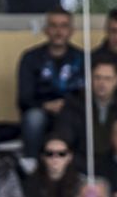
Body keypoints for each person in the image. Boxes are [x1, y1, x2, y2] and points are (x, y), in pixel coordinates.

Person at [16, 9, 84, 156]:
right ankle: (31, 164)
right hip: (42, 111)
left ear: (72, 31)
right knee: (34, 118)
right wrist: (46, 106)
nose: (59, 31)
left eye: (64, 26)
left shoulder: (83, 58)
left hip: (73, 111)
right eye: (54, 26)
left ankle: (79, 166)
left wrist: (67, 105)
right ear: (46, 30)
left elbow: (89, 95)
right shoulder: (30, 58)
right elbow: (23, 99)